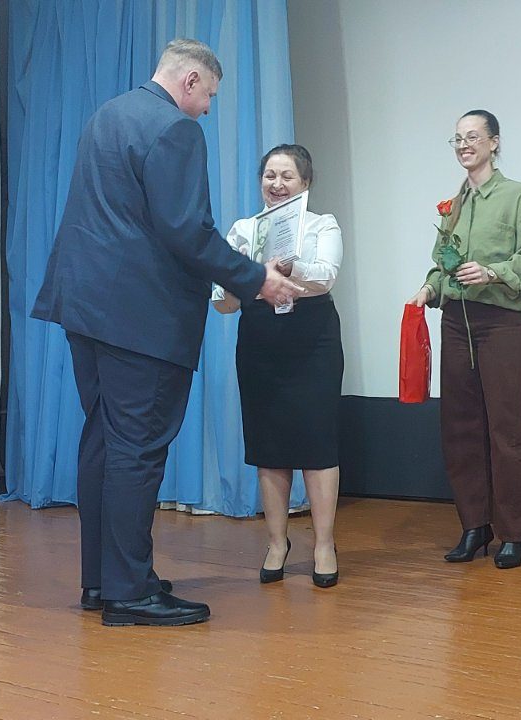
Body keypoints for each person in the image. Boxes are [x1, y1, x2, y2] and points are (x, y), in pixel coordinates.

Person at [31, 39, 300, 626]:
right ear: (191, 81)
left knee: (104, 442)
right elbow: (186, 232)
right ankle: (129, 594)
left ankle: (104, 580)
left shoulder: (109, 114)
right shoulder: (176, 129)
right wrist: (257, 279)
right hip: (140, 319)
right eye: (209, 97)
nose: (206, 110)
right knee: (136, 449)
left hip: (85, 308)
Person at [408, 110, 521, 569]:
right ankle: (475, 525)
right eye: (457, 139)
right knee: (460, 427)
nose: (464, 145)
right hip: (456, 322)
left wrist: (492, 272)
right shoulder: (454, 204)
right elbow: (441, 264)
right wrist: (430, 287)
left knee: (509, 431)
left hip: (502, 323)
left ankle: (513, 533)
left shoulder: (515, 196)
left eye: (472, 137)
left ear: (494, 142)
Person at [213, 144, 344, 588]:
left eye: (287, 176)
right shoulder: (243, 230)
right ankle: (276, 543)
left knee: (317, 440)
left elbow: (325, 275)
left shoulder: (322, 224)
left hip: (312, 337)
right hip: (260, 337)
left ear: (305, 183)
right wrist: (248, 279)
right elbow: (222, 302)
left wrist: (289, 266)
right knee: (268, 443)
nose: (277, 184)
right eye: (270, 175)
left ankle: (323, 544)